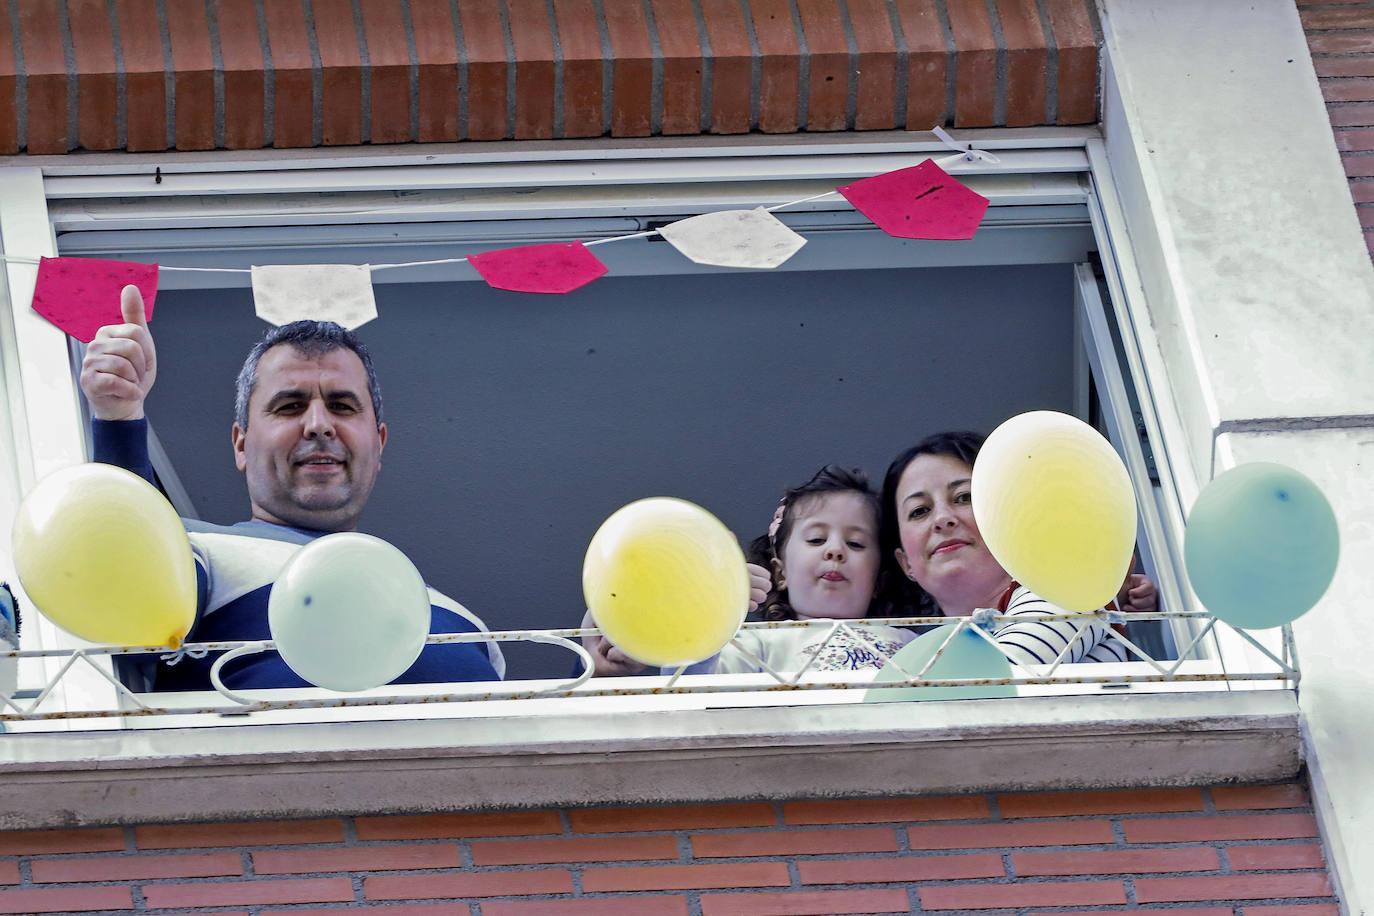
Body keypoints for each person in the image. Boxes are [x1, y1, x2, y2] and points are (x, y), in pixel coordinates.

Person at [80, 285, 504, 690]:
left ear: (379, 444)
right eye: (289, 406)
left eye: (341, 405)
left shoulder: (469, 625)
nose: (319, 425)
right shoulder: (197, 550)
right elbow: (124, 596)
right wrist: (119, 420)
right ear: (241, 444)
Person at [582, 466, 914, 677]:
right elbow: (690, 690)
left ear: (879, 582)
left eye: (856, 544)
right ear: (779, 574)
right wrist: (714, 608)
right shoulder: (757, 642)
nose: (835, 550)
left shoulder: (913, 642)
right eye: (816, 539)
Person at [879, 431, 1156, 666]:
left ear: (1009, 511)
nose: (942, 518)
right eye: (919, 511)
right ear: (906, 564)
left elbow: (992, 689)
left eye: (964, 497)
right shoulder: (915, 655)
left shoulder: (1065, 586)